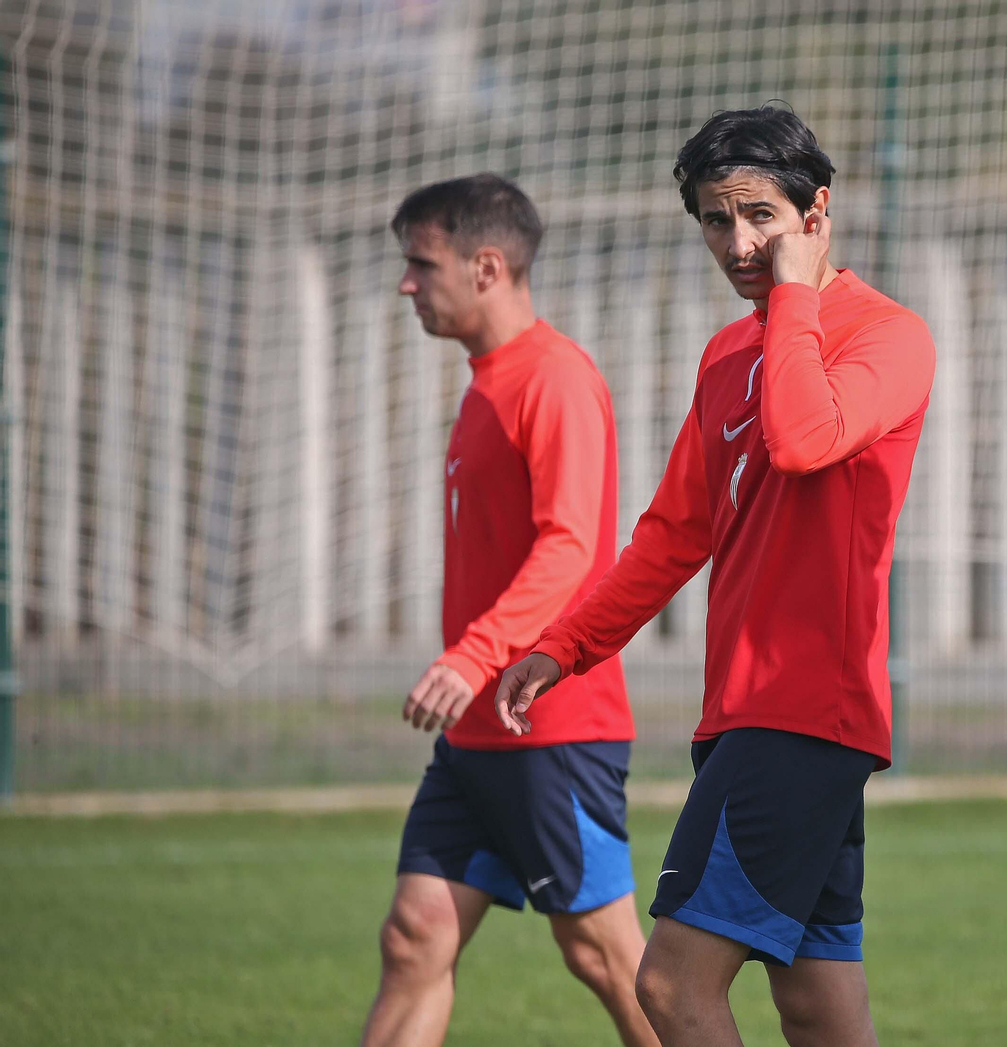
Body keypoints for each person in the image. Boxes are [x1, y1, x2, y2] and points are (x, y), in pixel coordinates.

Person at [495, 106, 937, 1047]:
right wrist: (563, 645)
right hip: (748, 714)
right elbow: (670, 534)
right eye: (714, 220)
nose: (738, 243)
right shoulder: (730, 353)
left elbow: (804, 436)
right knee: (817, 1004)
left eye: (761, 218)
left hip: (801, 711)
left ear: (817, 213)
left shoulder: (888, 335)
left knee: (669, 985)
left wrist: (795, 299)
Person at [362, 174, 658, 1047]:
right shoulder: (486, 382)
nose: (407, 284)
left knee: (605, 955)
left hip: (553, 726)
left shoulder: (555, 379)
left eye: (422, 263)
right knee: (415, 935)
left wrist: (470, 655)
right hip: (479, 736)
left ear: (487, 266)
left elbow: (571, 553)